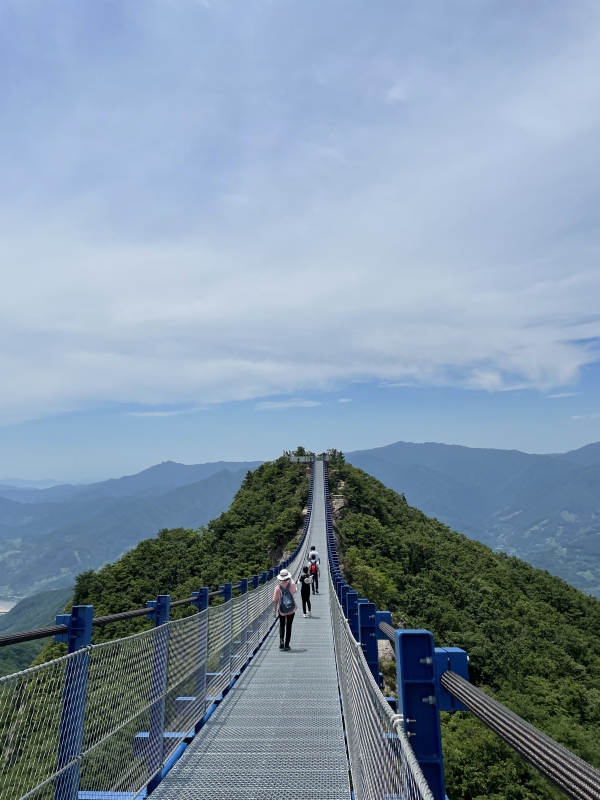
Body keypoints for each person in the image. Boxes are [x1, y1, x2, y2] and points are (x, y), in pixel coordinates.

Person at [273, 568, 297, 650]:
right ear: (288, 577)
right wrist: (291, 580)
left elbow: (275, 600)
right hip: (291, 609)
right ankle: (287, 644)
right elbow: (295, 591)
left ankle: (281, 641)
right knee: (289, 626)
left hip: (282, 609)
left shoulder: (277, 587)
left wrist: (274, 610)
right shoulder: (292, 585)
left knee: (282, 625)